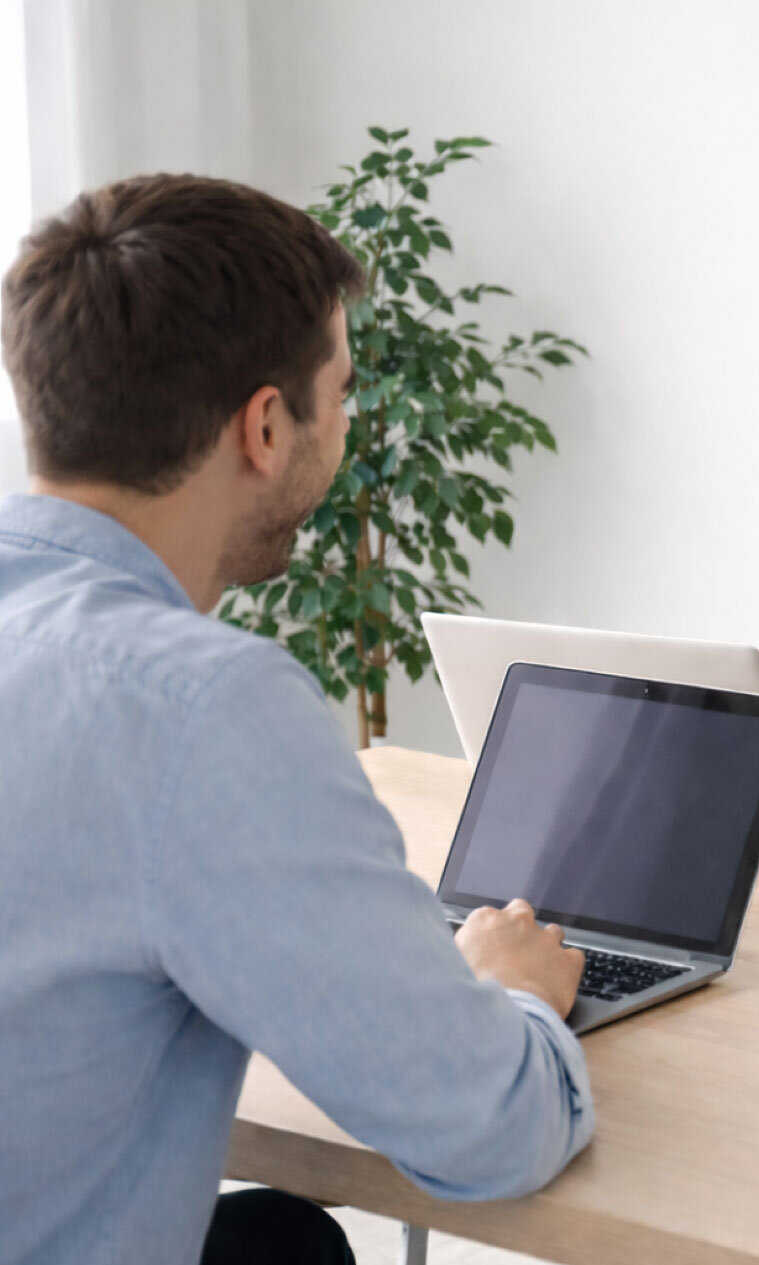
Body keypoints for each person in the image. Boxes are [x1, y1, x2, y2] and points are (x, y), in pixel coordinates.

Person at [0, 175, 593, 1265]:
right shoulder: (198, 705)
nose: (352, 418)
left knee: (281, 1241)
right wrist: (505, 991)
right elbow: (490, 1126)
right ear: (266, 425)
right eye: (346, 388)